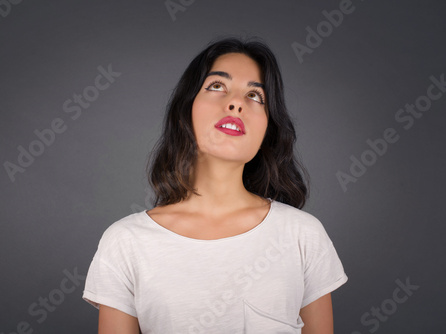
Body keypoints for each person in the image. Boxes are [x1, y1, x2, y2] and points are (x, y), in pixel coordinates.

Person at [82, 37, 348, 334]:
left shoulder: (303, 235)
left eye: (255, 96)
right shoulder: (126, 242)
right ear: (186, 110)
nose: (235, 103)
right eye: (217, 86)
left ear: (267, 129)